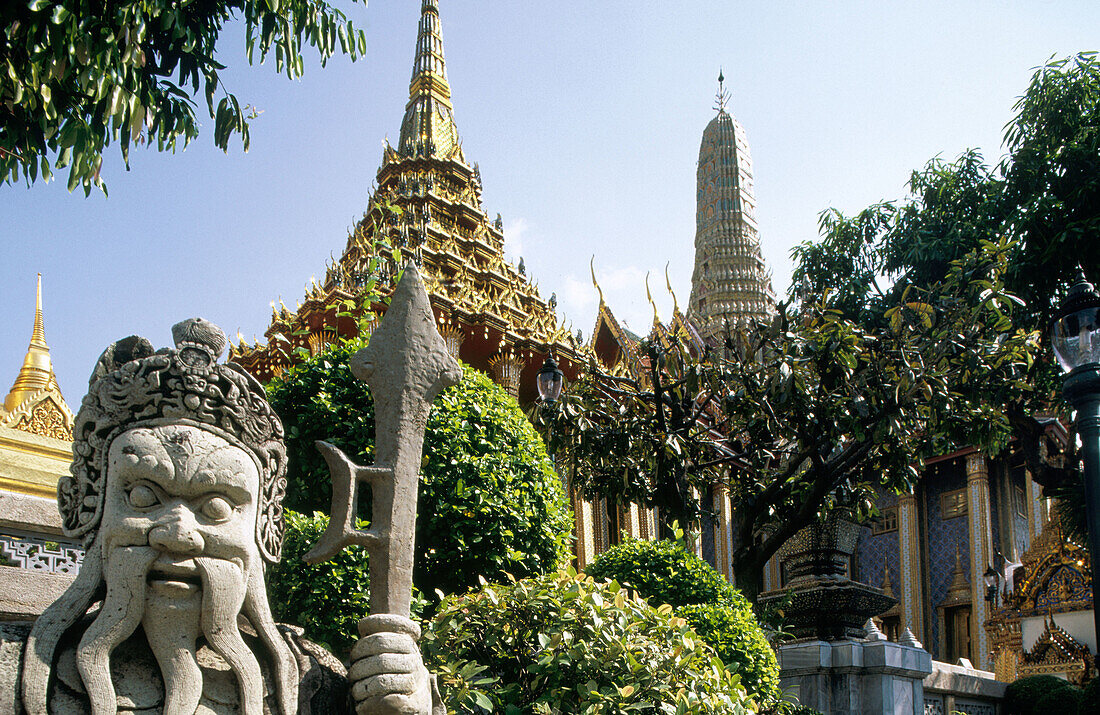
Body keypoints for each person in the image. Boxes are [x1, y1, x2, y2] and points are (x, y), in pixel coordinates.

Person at [13, 318, 440, 715]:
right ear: (84, 507)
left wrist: (404, 700)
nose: (179, 536)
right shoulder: (12, 675)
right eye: (144, 497)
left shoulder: (312, 688)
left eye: (216, 508)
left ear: (267, 531)